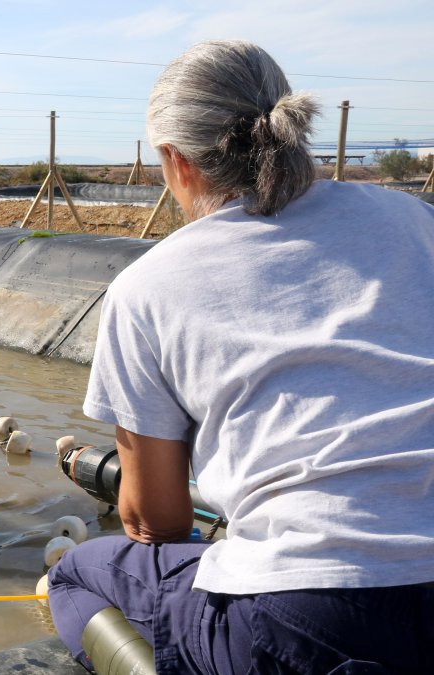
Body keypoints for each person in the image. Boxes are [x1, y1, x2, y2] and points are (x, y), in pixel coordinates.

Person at [47, 40, 434, 674]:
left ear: (177, 161)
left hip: (309, 619)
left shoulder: (147, 287)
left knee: (75, 574)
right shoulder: (415, 219)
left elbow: (157, 520)